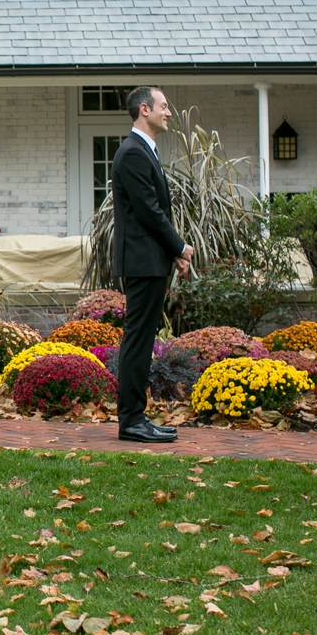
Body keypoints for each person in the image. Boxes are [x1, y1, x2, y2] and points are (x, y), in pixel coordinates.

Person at [110, 86, 193, 444]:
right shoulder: (132, 153)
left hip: (151, 260)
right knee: (138, 340)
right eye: (163, 106)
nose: (169, 112)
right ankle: (131, 421)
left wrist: (172, 253)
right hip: (143, 262)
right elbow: (149, 211)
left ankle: (137, 417)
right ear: (144, 110)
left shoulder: (144, 152)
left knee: (141, 339)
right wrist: (180, 246)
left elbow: (151, 212)